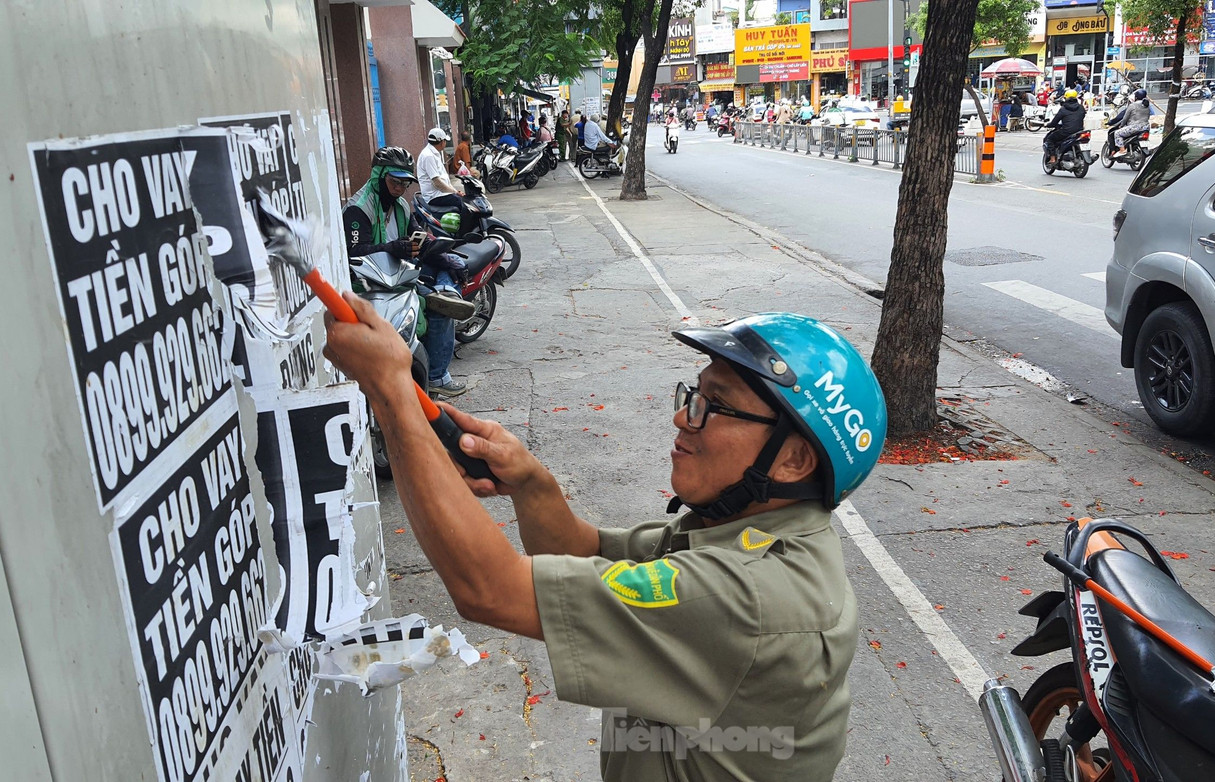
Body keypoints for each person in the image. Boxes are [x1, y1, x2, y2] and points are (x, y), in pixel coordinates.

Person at [321, 308, 886, 780]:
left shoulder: (750, 596)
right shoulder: (749, 534)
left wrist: (391, 395)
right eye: (693, 394)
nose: (682, 416)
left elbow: (490, 591)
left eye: (713, 405)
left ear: (793, 460)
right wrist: (530, 482)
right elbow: (583, 552)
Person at [342, 146, 469, 396]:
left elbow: (419, 237)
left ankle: (437, 376)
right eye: (394, 182)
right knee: (429, 308)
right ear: (379, 176)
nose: (400, 188)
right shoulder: (359, 208)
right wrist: (391, 248)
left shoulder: (401, 206)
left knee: (445, 292)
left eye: (405, 183)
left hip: (400, 277)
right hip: (367, 286)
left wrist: (445, 258)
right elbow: (353, 252)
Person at [418, 127, 463, 211]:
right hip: (434, 196)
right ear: (442, 142)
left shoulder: (434, 153)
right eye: (445, 141)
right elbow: (437, 182)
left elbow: (443, 180)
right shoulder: (428, 156)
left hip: (440, 193)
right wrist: (454, 192)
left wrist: (455, 191)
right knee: (461, 203)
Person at [1043, 89, 1086, 164]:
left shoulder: (1063, 109)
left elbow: (1054, 122)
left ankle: (1052, 158)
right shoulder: (1081, 107)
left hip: (1066, 132)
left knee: (1050, 139)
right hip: (1079, 131)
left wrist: (1048, 124)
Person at [1108, 89, 1151, 157]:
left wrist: (1121, 125)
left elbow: (1125, 118)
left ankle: (1122, 150)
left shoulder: (1132, 105)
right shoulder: (1147, 105)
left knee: (1117, 133)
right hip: (1146, 127)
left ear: (1136, 97)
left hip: (1135, 127)